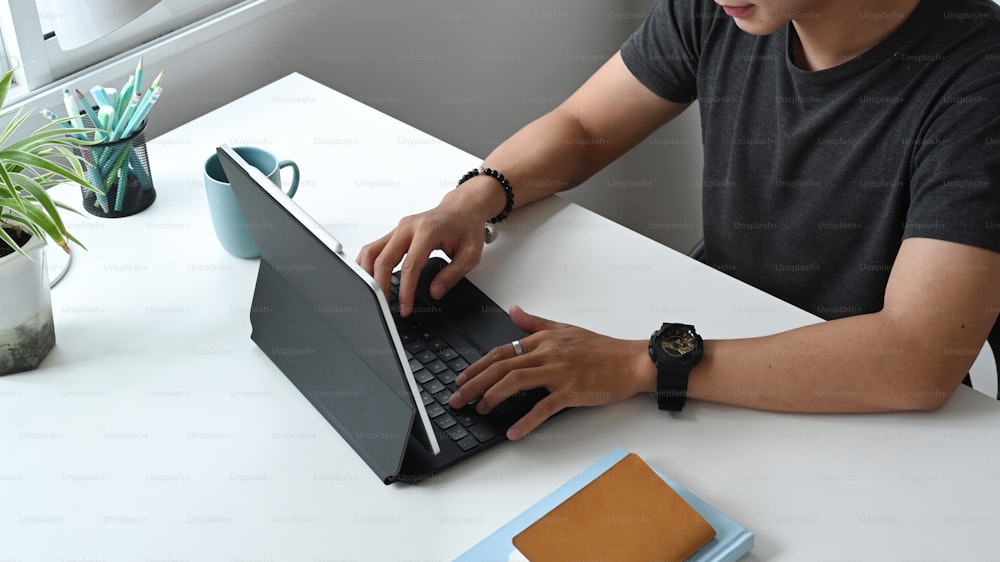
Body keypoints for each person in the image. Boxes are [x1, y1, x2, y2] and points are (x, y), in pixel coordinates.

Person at [358, 0, 1000, 441]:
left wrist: (643, 365)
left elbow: (917, 357)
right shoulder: (734, 8)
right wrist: (472, 200)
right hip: (709, 340)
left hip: (863, 409)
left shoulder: (979, 78)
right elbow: (583, 127)